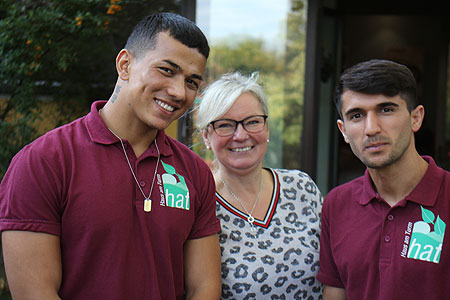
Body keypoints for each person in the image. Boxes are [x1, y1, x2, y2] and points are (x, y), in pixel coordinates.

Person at [0, 12, 221, 300]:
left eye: (192, 82)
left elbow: (203, 288)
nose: (179, 92)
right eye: (166, 70)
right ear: (125, 64)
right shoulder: (43, 161)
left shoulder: (194, 172)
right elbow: (35, 293)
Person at [317, 59, 450, 300]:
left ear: (416, 118)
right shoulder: (336, 203)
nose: (371, 128)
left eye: (386, 110)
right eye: (356, 115)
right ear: (343, 130)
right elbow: (336, 293)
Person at [196, 72, 323, 299]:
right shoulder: (201, 205)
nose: (241, 135)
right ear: (206, 136)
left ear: (267, 128)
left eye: (252, 122)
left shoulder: (302, 187)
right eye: (225, 125)